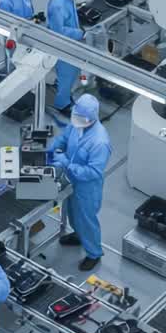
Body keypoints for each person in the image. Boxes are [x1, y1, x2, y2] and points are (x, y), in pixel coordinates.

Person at [50, 93, 111, 271]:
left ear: (92, 118)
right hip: (70, 180)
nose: (76, 120)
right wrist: (52, 149)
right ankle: (78, 235)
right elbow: (64, 138)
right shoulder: (77, 123)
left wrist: (66, 163)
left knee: (86, 219)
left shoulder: (100, 142)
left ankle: (94, 253)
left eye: (80, 118)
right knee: (71, 212)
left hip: (87, 187)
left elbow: (93, 171)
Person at [47, 0, 89, 114]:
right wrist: (79, 33)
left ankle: (65, 95)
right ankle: (62, 105)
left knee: (69, 75)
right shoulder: (58, 4)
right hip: (61, 45)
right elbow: (57, 31)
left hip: (69, 43)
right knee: (66, 75)